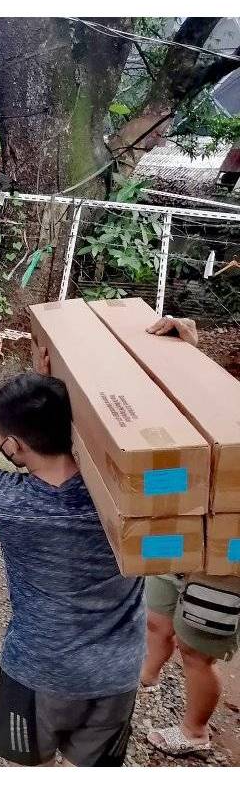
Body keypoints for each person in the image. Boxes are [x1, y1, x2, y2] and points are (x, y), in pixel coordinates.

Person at [0, 367, 145, 766]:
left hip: (39, 669)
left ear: (13, 445)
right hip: (117, 674)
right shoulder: (130, 496)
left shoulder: (5, 502)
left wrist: (16, 409)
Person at [139, 314, 240, 756]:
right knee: (156, 616)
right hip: (179, 528)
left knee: (196, 649)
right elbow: (202, 409)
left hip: (228, 552)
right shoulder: (225, 389)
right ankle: (145, 675)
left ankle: (195, 732)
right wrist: (188, 351)